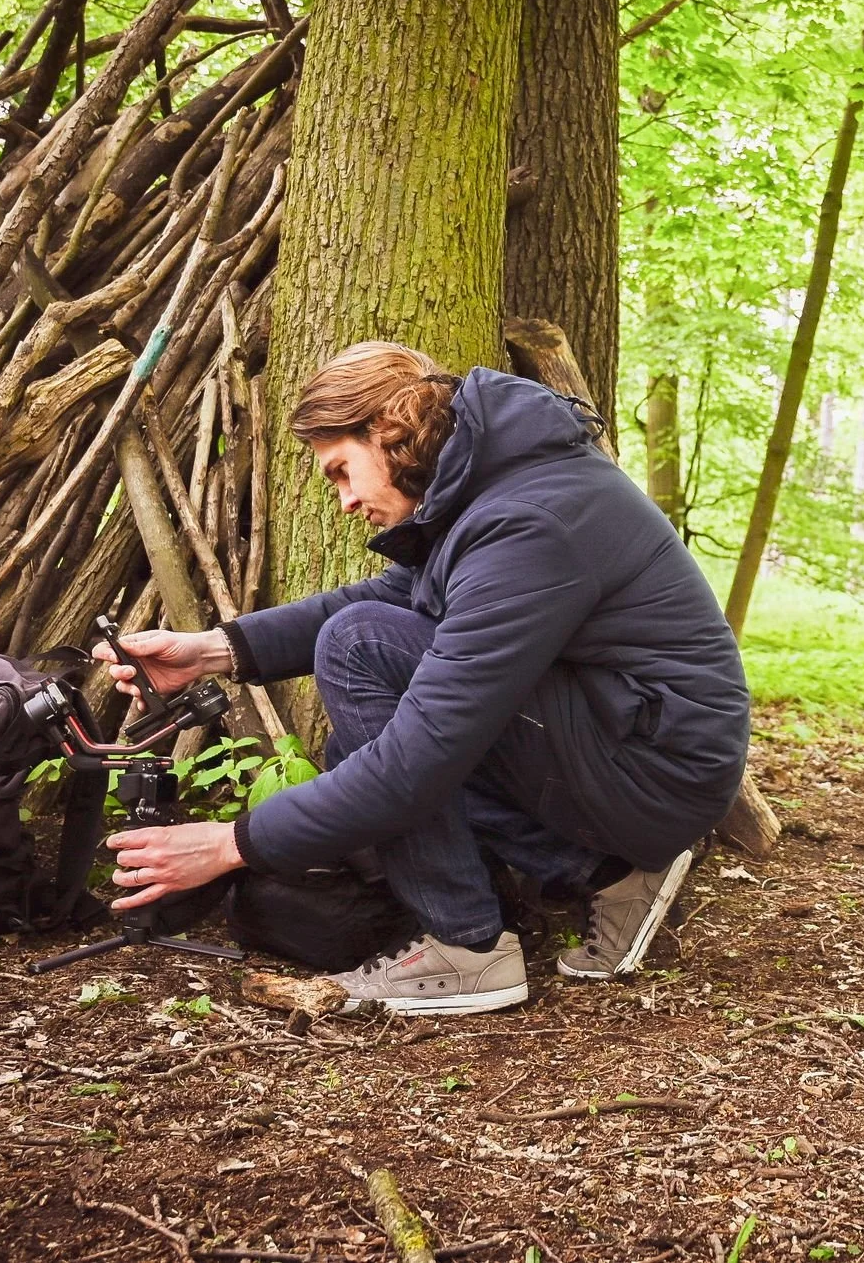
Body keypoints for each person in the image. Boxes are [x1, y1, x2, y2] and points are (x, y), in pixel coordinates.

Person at [93, 342, 751, 1015]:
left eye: (342, 472)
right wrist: (211, 650)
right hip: (631, 736)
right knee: (359, 738)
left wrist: (233, 844)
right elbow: (395, 601)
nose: (345, 501)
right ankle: (609, 875)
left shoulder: (526, 521)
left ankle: (467, 950)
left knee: (363, 665)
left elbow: (412, 748)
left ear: (389, 432)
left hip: (658, 766)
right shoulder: (486, 488)